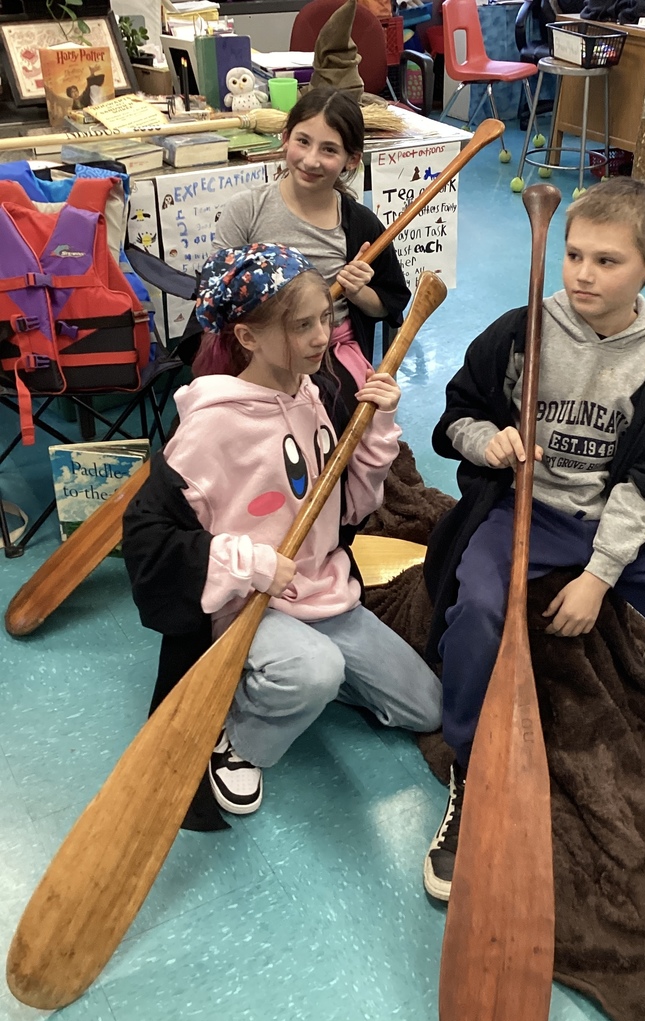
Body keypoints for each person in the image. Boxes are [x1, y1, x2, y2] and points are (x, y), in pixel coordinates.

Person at [420, 178, 645, 902]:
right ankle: (469, 765)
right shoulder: (519, 332)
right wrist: (489, 444)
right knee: (475, 613)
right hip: (521, 511)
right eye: (573, 255)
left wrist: (601, 576)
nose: (582, 275)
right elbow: (454, 417)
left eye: (608, 261)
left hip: (611, 518)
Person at [123, 243, 441, 820]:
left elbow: (347, 506)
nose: (323, 336)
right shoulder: (211, 425)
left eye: (327, 318)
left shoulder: (311, 394)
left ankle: (311, 675)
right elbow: (164, 540)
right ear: (247, 337)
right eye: (302, 326)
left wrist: (379, 427)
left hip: (325, 594)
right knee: (311, 671)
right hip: (252, 603)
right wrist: (256, 567)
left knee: (426, 708)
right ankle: (241, 742)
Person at [211, 86, 410, 421]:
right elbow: (217, 298)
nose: (311, 159)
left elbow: (388, 304)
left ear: (351, 160)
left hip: (327, 357)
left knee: (331, 426)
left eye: (329, 149)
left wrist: (358, 292)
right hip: (255, 356)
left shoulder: (360, 225)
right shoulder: (245, 211)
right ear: (285, 138)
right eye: (303, 141)